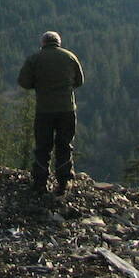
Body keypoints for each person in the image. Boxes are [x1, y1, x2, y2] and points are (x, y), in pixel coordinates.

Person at [17, 31, 84, 195]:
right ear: (58, 42)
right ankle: (63, 182)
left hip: (44, 110)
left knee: (43, 146)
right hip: (67, 109)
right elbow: (79, 81)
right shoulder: (70, 57)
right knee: (64, 145)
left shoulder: (35, 58)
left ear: (43, 43)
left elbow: (23, 82)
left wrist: (39, 85)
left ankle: (40, 182)